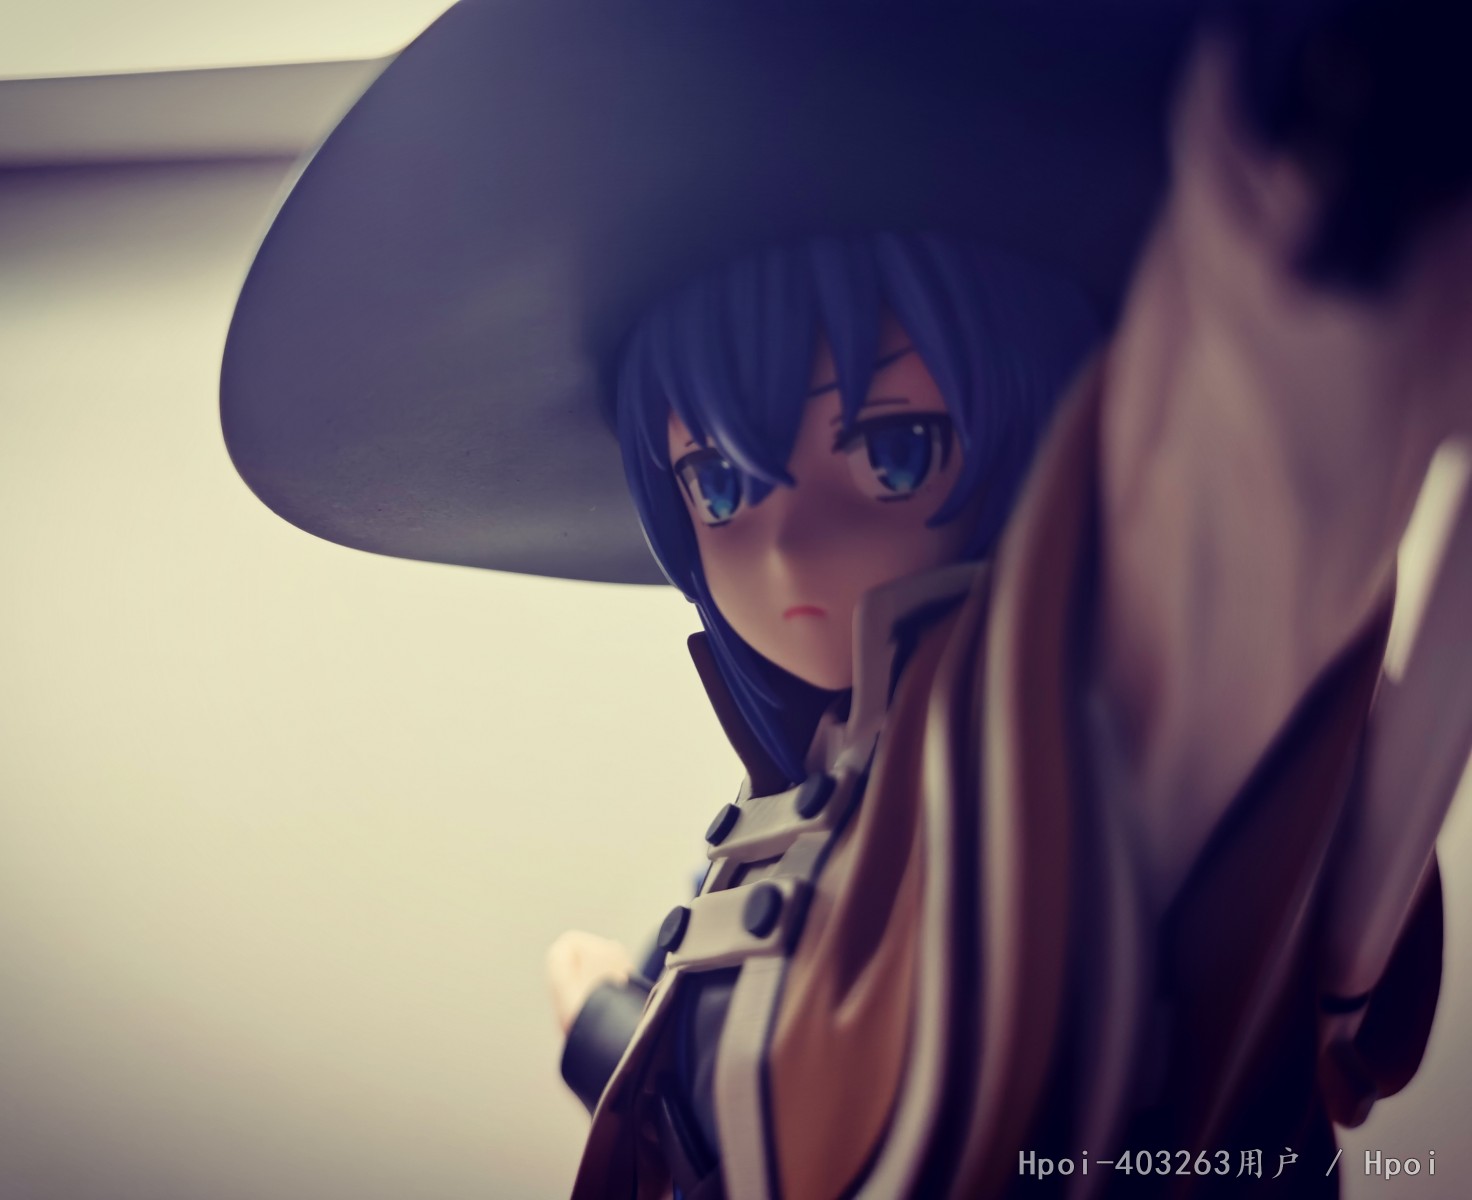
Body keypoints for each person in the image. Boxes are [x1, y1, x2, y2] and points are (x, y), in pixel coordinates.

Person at [219, 1, 1470, 1194]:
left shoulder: (1090, 743)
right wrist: (619, 1023)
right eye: (716, 484)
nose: (784, 553)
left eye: (895, 454)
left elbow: (1277, 441)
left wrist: (1320, 132)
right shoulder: (837, 777)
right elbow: (789, 1081)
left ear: (1035, 431)